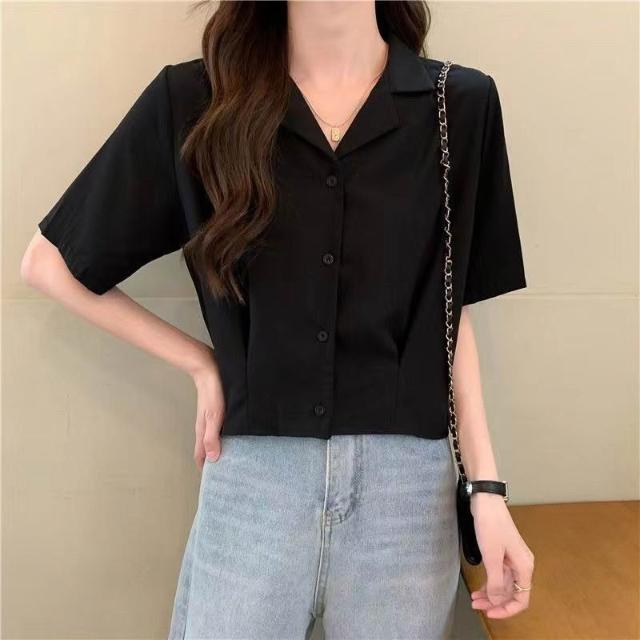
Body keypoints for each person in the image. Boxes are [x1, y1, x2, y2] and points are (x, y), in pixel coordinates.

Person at [21, 1, 536, 638]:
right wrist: (201, 362)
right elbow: (51, 263)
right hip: (255, 484)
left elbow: (450, 314)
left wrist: (487, 489)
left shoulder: (457, 106)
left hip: (404, 498)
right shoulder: (199, 101)